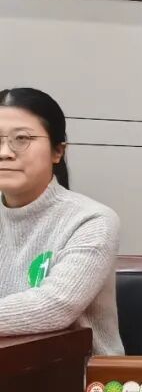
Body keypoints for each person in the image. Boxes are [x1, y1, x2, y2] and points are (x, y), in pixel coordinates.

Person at [0, 88, 123, 355]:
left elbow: (55, 306)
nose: (5, 152)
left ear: (57, 151)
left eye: (21, 139)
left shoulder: (92, 219)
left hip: (79, 375)